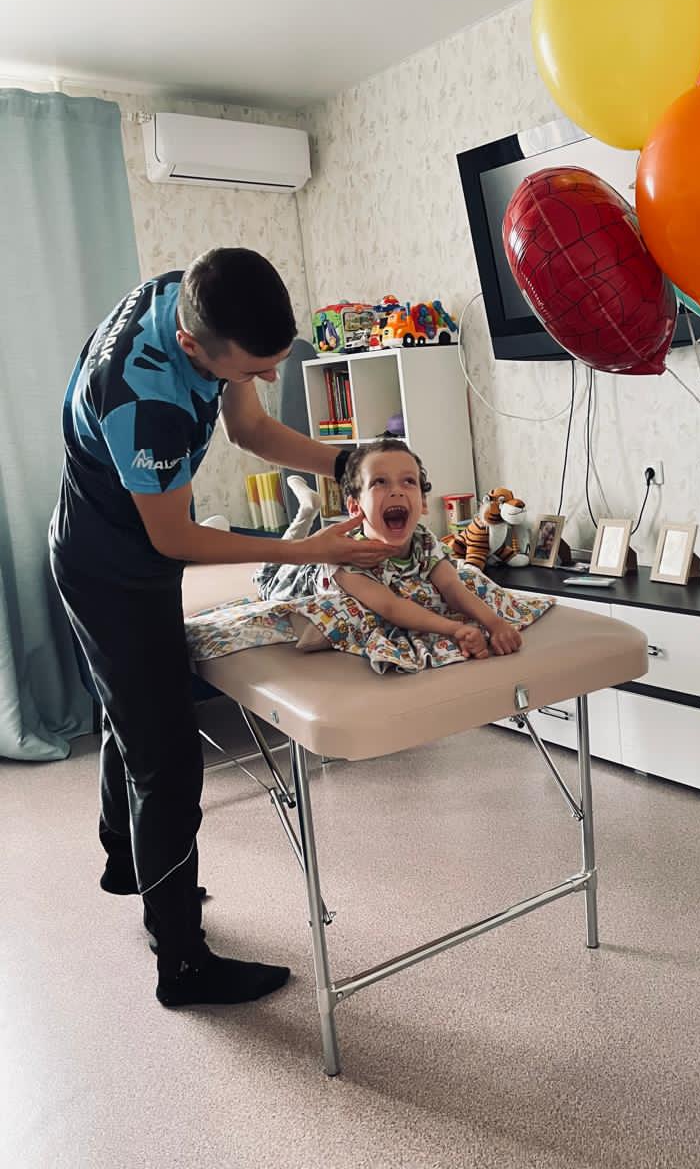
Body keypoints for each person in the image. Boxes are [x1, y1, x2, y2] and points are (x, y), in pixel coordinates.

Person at [49, 248, 392, 1008]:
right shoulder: (147, 405)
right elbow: (174, 538)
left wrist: (352, 464)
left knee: (133, 713)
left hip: (123, 537)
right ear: (192, 347)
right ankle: (182, 965)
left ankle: (128, 863)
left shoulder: (196, 294)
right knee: (167, 763)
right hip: (110, 565)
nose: (267, 378)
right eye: (254, 369)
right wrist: (306, 550)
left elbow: (250, 430)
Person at [254, 440, 527, 664]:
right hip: (294, 574)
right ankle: (306, 510)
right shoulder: (347, 554)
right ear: (355, 507)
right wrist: (455, 629)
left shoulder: (422, 538)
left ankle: (308, 510)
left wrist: (495, 624)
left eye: (408, 481)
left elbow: (452, 587)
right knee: (272, 570)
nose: (396, 491)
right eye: (380, 482)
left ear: (422, 503)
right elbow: (390, 607)